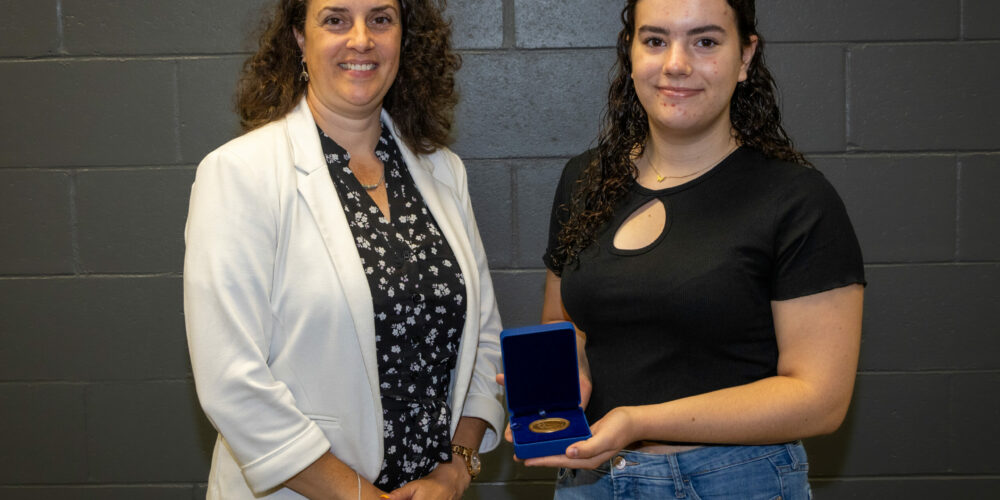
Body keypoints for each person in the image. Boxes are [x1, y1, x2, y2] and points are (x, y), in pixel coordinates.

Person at [523, 0, 866, 498]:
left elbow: (820, 399)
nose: (676, 64)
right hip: (591, 479)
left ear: (745, 56)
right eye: (655, 40)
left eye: (705, 41)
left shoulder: (796, 200)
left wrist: (636, 421)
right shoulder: (586, 179)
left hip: (734, 483)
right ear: (630, 51)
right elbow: (564, 324)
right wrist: (559, 380)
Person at [184, 0, 504, 498]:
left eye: (381, 19)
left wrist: (457, 467)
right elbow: (232, 382)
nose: (361, 39)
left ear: (403, 37)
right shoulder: (240, 174)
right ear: (298, 38)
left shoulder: (443, 171)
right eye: (335, 20)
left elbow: (484, 341)